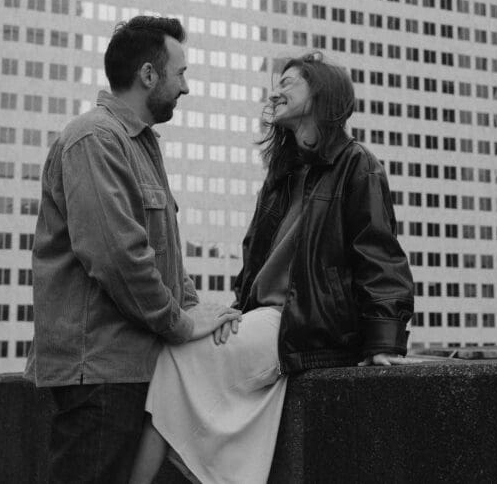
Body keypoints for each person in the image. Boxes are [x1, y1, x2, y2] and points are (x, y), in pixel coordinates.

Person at [130, 52, 417, 484]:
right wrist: (233, 314)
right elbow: (256, 257)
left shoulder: (357, 164)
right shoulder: (283, 174)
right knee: (173, 370)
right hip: (262, 318)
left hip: (305, 324)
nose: (275, 91)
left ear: (321, 94)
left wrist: (384, 341)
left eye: (289, 82)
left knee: (176, 359)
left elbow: (378, 254)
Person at [24, 15, 241, 484]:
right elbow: (118, 256)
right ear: (148, 75)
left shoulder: (138, 144)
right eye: (180, 73)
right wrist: (181, 323)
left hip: (130, 370)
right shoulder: (95, 139)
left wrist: (198, 310)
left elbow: (162, 254)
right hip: (101, 372)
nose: (185, 88)